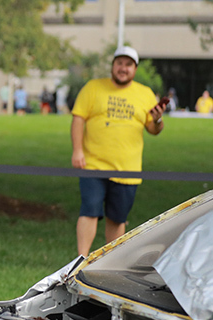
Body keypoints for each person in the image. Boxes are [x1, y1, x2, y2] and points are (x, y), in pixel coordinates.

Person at [71, 46, 165, 257]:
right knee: (89, 209)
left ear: (135, 69)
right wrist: (77, 150)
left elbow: (154, 129)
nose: (123, 68)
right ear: (113, 65)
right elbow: (78, 118)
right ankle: (80, 259)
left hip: (128, 169)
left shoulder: (145, 93)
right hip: (93, 164)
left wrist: (158, 119)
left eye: (128, 65)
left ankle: (108, 262)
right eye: (119, 63)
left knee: (118, 217)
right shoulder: (93, 87)